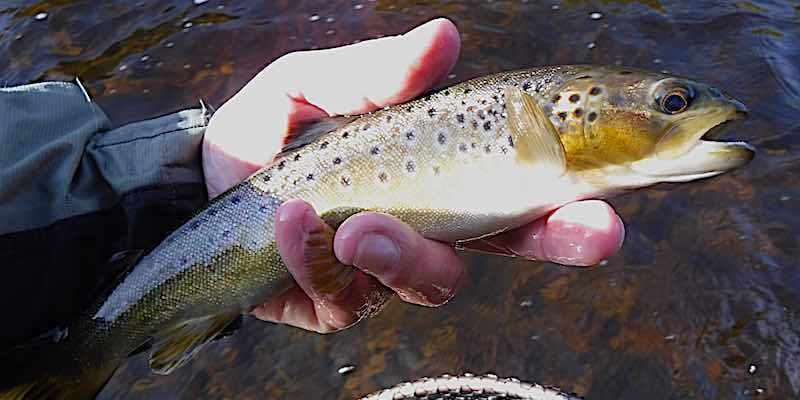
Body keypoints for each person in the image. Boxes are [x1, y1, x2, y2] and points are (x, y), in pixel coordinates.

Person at [0, 19, 624, 346]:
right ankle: (77, 359)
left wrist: (188, 177)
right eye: (672, 102)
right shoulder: (536, 114)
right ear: (575, 111)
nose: (687, 112)